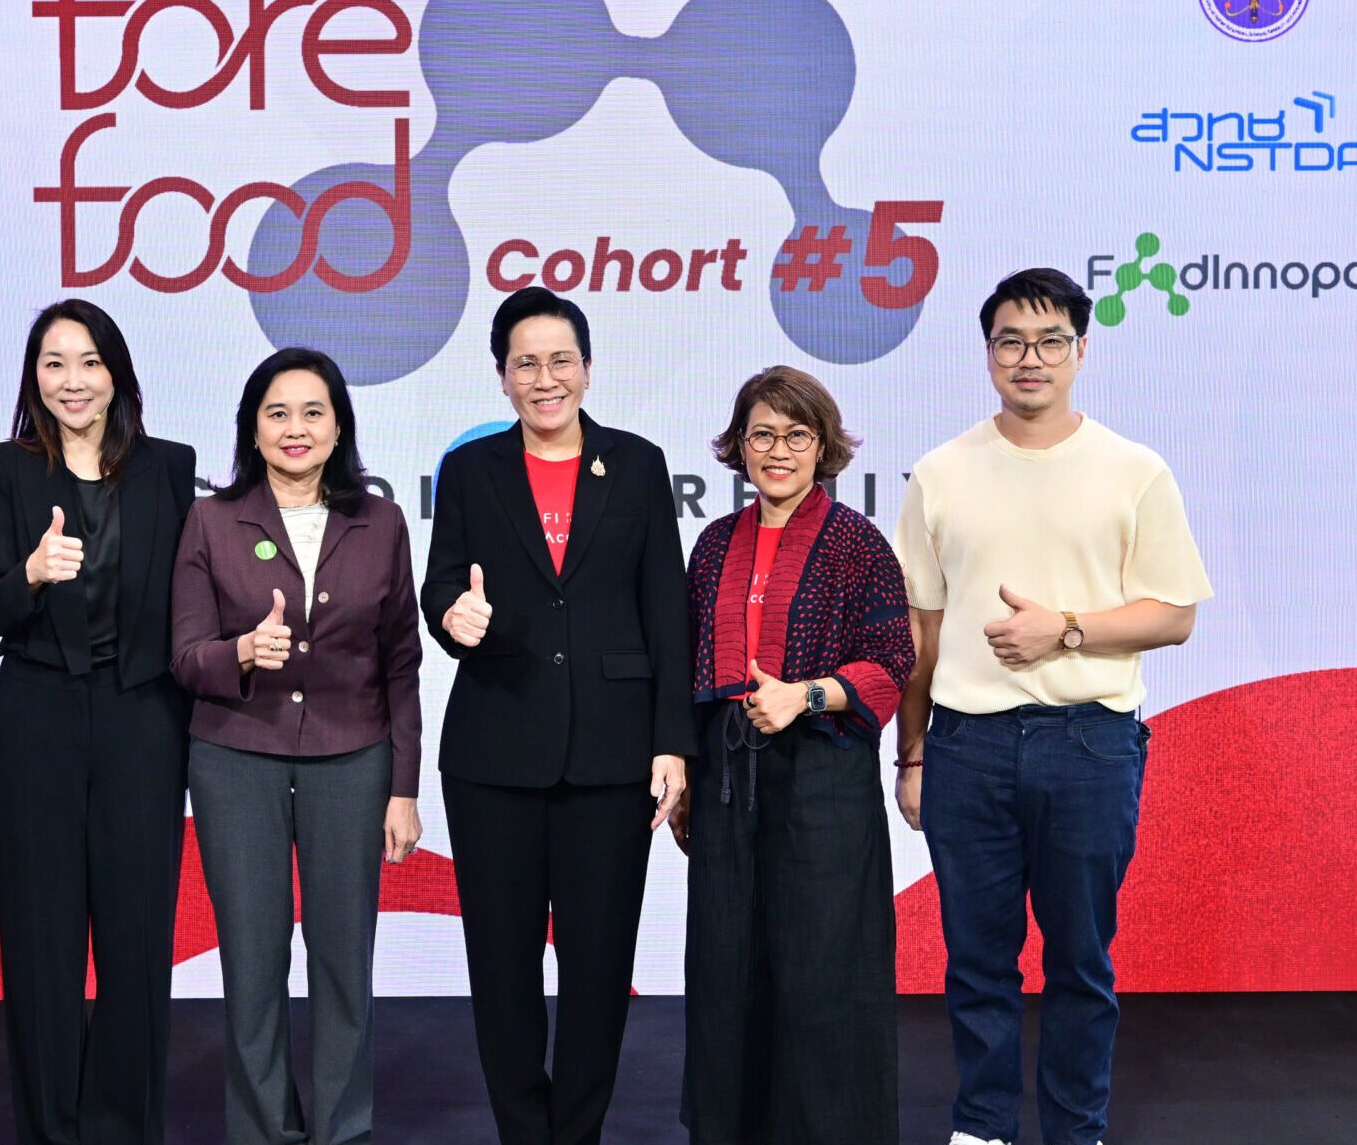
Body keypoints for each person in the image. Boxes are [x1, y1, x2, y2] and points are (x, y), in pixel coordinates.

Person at [893, 268, 1213, 1145]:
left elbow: (1174, 614)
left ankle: (1076, 1129)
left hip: (1089, 744)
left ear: (1081, 350)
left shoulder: (1134, 471)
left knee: (1079, 960)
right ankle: (983, 1126)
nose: (1029, 358)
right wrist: (911, 755)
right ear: (987, 353)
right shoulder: (941, 473)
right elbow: (922, 630)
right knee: (977, 961)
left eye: (1049, 341)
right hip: (965, 747)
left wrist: (1063, 631)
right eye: (1010, 341)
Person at [421, 286, 693, 1145]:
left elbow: (667, 611)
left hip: (613, 755)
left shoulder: (637, 464)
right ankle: (522, 1132)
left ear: (587, 367)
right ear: (502, 376)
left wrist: (672, 743)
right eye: (526, 364)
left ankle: (576, 1133)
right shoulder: (472, 469)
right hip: (494, 752)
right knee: (501, 968)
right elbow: (441, 585)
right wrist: (452, 617)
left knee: (598, 967)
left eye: (560, 360)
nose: (546, 379)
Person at [170, 347, 425, 1145]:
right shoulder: (210, 519)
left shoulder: (381, 521)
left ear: (339, 426)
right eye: (277, 412)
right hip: (235, 757)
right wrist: (243, 653)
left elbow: (402, 663)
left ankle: (342, 1129)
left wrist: (404, 788)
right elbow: (185, 658)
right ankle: (262, 1129)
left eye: (314, 412)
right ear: (252, 427)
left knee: (344, 956)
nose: (295, 428)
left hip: (354, 759)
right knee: (253, 957)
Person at [0, 299, 197, 1145]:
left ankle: (124, 1126)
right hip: (36, 715)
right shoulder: (1, 470)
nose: (73, 381)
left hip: (144, 714)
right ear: (33, 377)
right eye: (55, 363)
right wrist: (32, 572)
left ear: (117, 375)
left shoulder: (170, 466)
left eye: (91, 362)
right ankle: (51, 1128)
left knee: (138, 936)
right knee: (42, 939)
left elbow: (192, 594)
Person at [673, 366, 913, 1145]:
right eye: (763, 435)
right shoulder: (713, 544)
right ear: (739, 447)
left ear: (823, 446)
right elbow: (688, 666)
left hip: (822, 775)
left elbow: (893, 661)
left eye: (797, 435)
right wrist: (685, 775)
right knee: (725, 968)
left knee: (822, 974)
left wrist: (806, 695)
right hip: (726, 775)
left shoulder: (856, 543)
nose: (779, 451)